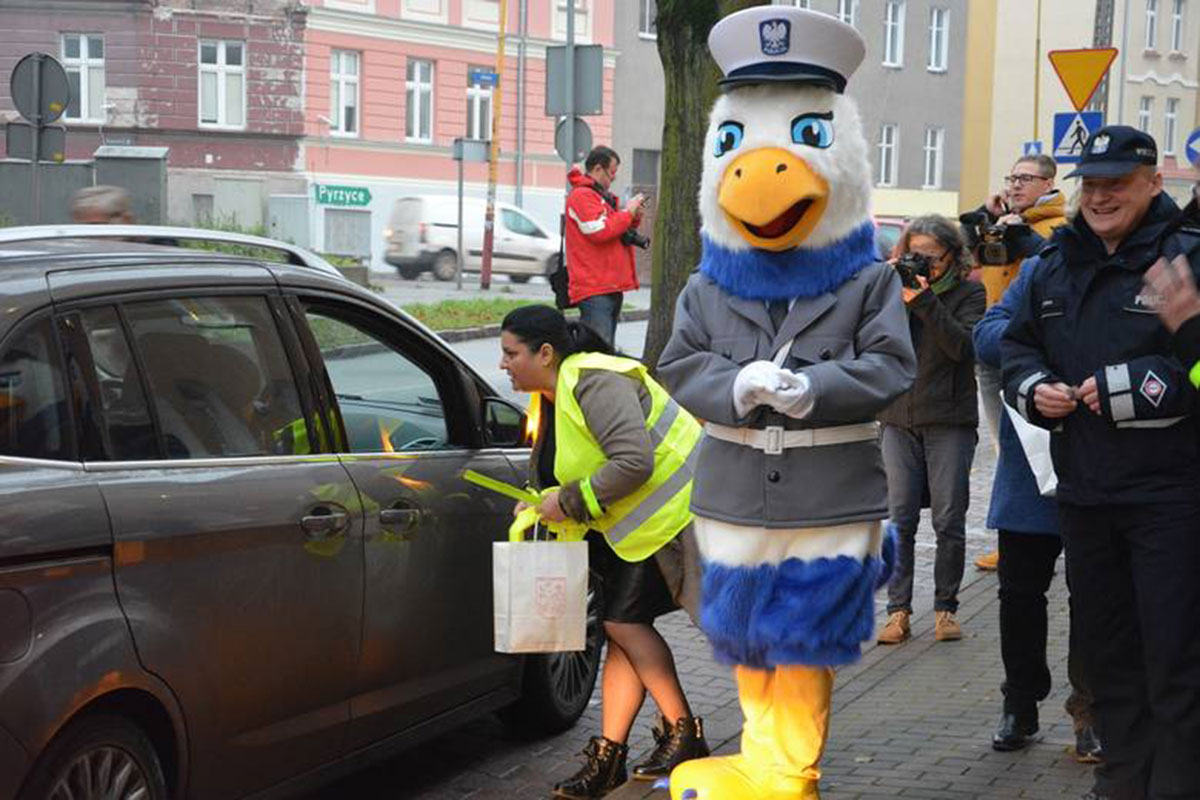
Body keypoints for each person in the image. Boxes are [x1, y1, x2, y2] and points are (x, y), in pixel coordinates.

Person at [658, 7, 916, 795]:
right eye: (734, 145)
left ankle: (785, 774)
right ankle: (761, 760)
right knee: (747, 638)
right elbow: (677, 363)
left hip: (830, 495)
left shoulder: (867, 280)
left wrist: (814, 391)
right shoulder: (706, 287)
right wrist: (733, 386)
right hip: (734, 495)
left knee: (804, 639)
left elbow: (891, 365)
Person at [1003, 125, 1200, 800]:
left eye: (1117, 182)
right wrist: (1031, 388)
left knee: (1174, 657)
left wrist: (1139, 386)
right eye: (1091, 183)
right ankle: (1123, 781)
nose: (1101, 196)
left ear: (1153, 183)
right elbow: (1016, 348)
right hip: (1085, 496)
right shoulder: (1055, 264)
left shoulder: (1187, 259)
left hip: (1172, 497)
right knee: (1109, 659)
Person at [498, 305, 708, 799]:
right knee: (621, 632)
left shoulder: (593, 380)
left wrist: (567, 501)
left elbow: (633, 460)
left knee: (622, 624)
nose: (504, 364)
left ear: (544, 353)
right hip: (631, 530)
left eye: (511, 354)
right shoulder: (551, 394)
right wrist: (539, 505)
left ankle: (683, 731)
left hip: (674, 518)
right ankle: (610, 758)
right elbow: (566, 469)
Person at [973, 255, 1101, 762]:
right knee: (1019, 594)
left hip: (1101, 461)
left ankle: (1090, 711)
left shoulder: (1143, 265)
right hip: (1031, 463)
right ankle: (1020, 702)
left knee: (1094, 595)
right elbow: (986, 334)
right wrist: (1039, 359)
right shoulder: (1042, 267)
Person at [877, 215, 986, 645]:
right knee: (899, 520)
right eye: (914, 256)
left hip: (949, 421)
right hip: (898, 420)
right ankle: (898, 611)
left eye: (931, 258)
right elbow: (873, 342)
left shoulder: (969, 291)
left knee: (948, 519)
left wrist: (924, 301)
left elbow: (963, 348)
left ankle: (945, 609)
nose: (923, 265)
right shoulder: (891, 291)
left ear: (952, 256)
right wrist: (885, 294)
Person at [971, 154, 1068, 572]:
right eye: (1011, 178)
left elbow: (1057, 267)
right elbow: (977, 261)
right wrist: (989, 220)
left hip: (1036, 358)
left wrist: (1025, 238)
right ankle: (1009, 535)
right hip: (995, 340)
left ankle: (1034, 530)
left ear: (1049, 183)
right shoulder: (1007, 220)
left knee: (1029, 447)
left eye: (1025, 178)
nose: (1014, 186)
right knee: (1002, 445)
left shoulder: (1058, 228)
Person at [564, 146, 648, 346]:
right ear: (598, 169)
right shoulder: (582, 196)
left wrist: (633, 218)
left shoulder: (599, 197)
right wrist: (627, 213)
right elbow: (599, 231)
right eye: (612, 173)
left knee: (605, 349)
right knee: (598, 351)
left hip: (608, 285)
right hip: (595, 287)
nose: (613, 179)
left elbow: (615, 231)